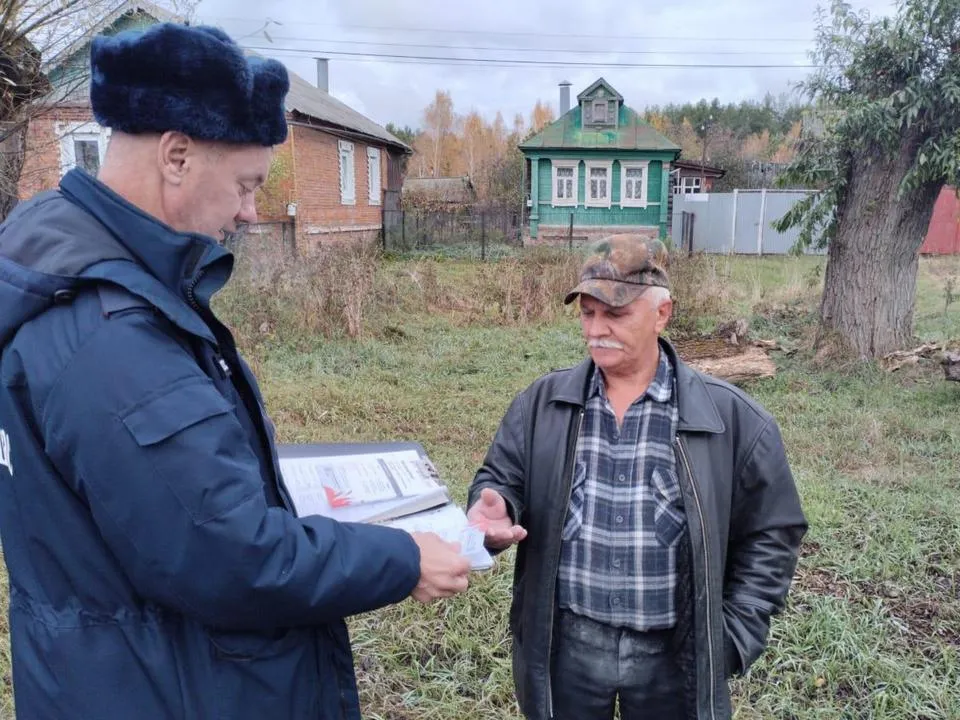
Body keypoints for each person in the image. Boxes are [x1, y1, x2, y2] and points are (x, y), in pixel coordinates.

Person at [0, 23, 470, 720]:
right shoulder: (110, 337)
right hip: (168, 689)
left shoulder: (63, 256)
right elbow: (231, 557)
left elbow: (168, 497)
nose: (251, 212)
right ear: (178, 156)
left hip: (109, 673)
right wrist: (402, 559)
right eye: (247, 185)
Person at [467, 235, 807, 720]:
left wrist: (734, 635)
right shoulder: (541, 405)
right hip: (567, 649)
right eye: (587, 313)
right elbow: (501, 477)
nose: (596, 330)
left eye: (616, 314)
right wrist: (493, 501)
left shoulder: (732, 418)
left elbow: (773, 532)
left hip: (676, 657)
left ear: (662, 313)